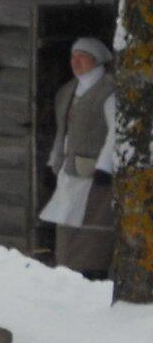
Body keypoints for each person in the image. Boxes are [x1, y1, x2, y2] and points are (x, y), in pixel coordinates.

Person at [40, 37, 123, 278]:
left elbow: (116, 132)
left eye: (81, 56)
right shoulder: (68, 91)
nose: (75, 62)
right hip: (70, 173)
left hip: (96, 176)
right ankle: (67, 272)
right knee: (67, 224)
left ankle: (90, 273)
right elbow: (63, 132)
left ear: (95, 60)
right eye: (73, 57)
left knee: (91, 230)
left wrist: (105, 167)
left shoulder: (109, 91)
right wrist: (54, 160)